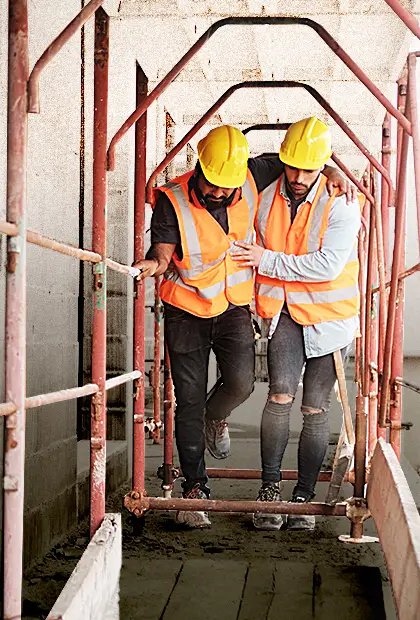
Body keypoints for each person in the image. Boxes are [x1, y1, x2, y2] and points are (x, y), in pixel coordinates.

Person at [133, 124, 356, 527]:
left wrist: (334, 170)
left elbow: (305, 160)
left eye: (227, 186)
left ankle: (213, 418)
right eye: (213, 184)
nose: (220, 192)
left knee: (242, 383)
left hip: (236, 306)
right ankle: (195, 491)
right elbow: (163, 250)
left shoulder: (254, 173)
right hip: (187, 309)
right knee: (188, 399)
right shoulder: (173, 200)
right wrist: (155, 264)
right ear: (199, 166)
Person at [230, 116, 362, 531]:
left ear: (323, 165)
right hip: (286, 311)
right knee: (280, 398)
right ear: (283, 161)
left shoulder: (340, 202)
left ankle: (303, 498)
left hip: (331, 319)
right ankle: (270, 492)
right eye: (294, 167)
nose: (300, 176)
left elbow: (327, 265)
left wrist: (265, 260)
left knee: (315, 408)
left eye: (309, 168)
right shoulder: (266, 192)